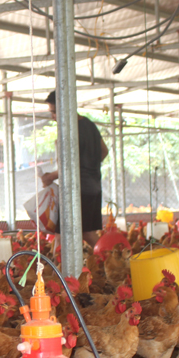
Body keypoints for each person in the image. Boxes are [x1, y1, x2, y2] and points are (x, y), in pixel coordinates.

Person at [40, 90, 109, 247]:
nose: (53, 116)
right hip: (94, 188)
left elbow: (69, 165)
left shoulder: (70, 131)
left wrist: (50, 177)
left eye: (55, 112)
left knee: (61, 236)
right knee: (87, 233)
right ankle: (108, 259)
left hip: (78, 191)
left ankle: (59, 271)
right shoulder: (89, 125)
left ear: (66, 108)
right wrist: (90, 166)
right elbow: (104, 151)